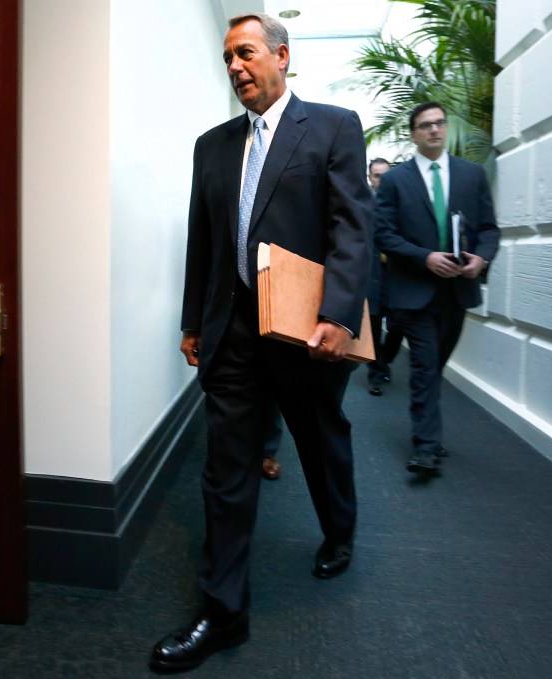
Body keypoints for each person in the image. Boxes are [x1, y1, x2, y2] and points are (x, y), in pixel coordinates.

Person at [150, 12, 373, 674]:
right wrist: (194, 319)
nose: (236, 67)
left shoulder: (332, 127)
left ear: (282, 55)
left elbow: (352, 229)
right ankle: (224, 612)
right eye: (227, 58)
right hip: (234, 335)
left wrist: (338, 312)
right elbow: (205, 243)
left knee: (318, 439)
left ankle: (340, 529)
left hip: (306, 332)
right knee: (226, 472)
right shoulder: (212, 146)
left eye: (245, 53)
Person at [373, 101, 499, 475]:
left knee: (435, 365)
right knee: (425, 366)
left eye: (439, 123)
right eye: (425, 125)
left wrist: (481, 258)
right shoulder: (396, 180)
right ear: (414, 133)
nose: (434, 130)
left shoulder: (471, 175)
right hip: (414, 291)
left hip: (456, 292)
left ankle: (430, 432)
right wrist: (424, 257)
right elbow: (382, 234)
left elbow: (490, 229)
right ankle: (426, 446)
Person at [364, 158, 403, 396]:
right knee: (374, 326)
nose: (383, 179)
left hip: (397, 274)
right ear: (370, 178)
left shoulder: (403, 203)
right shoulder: (362, 204)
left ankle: (384, 359)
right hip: (371, 274)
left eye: (386, 175)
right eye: (378, 175)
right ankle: (376, 374)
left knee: (398, 324)